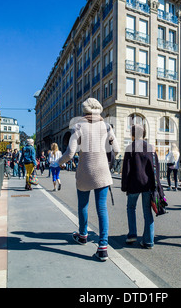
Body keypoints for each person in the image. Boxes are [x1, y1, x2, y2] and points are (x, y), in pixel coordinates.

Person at [57, 98, 119, 261]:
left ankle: (83, 235)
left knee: (83, 205)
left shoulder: (78, 126)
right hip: (102, 172)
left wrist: (58, 163)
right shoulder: (107, 126)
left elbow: (70, 153)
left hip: (85, 171)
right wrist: (105, 161)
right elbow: (117, 149)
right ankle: (103, 247)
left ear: (84, 111)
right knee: (101, 208)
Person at [121, 124, 160, 249]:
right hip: (148, 185)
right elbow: (156, 168)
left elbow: (126, 170)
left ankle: (132, 234)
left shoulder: (130, 148)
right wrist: (157, 185)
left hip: (133, 184)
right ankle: (148, 240)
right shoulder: (150, 148)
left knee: (131, 208)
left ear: (132, 135)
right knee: (147, 212)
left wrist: (124, 186)